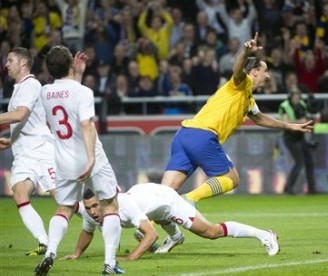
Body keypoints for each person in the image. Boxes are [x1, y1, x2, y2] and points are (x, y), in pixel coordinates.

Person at [161, 33, 313, 204]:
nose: (268, 76)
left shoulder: (248, 99)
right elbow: (237, 71)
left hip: (183, 135)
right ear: (254, 72)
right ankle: (189, 199)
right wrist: (246, 53)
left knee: (166, 192)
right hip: (203, 136)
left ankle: (148, 224)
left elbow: (260, 118)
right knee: (232, 179)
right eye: (265, 71)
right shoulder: (243, 82)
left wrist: (289, 126)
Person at [34, 46, 123, 275]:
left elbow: (65, 98)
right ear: (70, 65)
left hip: (63, 160)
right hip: (89, 154)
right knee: (110, 204)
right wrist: (91, 157)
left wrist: (77, 74)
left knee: (64, 208)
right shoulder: (83, 92)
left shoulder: (44, 92)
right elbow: (84, 124)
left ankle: (50, 253)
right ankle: (109, 264)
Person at [61, 183, 279, 261]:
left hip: (168, 201)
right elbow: (87, 232)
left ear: (104, 201)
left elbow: (151, 234)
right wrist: (77, 253)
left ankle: (265, 235)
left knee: (210, 232)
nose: (92, 212)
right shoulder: (93, 212)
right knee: (155, 217)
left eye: (94, 206)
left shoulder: (124, 206)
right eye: (88, 207)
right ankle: (175, 237)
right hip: (150, 200)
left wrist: (131, 256)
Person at [0, 47, 56, 256]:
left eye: (10, 60)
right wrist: (11, 140)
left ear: (23, 63)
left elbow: (20, 115)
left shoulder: (31, 84)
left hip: (42, 151)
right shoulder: (19, 88)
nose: (6, 64)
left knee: (64, 201)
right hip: (24, 154)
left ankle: (104, 222)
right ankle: (43, 242)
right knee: (19, 192)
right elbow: (24, 121)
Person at [278, 89, 316, 195]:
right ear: (290, 97)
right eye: (295, 96)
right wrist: (299, 122)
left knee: (309, 161)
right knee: (299, 162)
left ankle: (312, 189)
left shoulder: (302, 104)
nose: (297, 98)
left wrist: (299, 122)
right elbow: (286, 121)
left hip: (300, 137)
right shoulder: (284, 106)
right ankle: (288, 187)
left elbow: (306, 119)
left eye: (298, 96)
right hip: (289, 137)